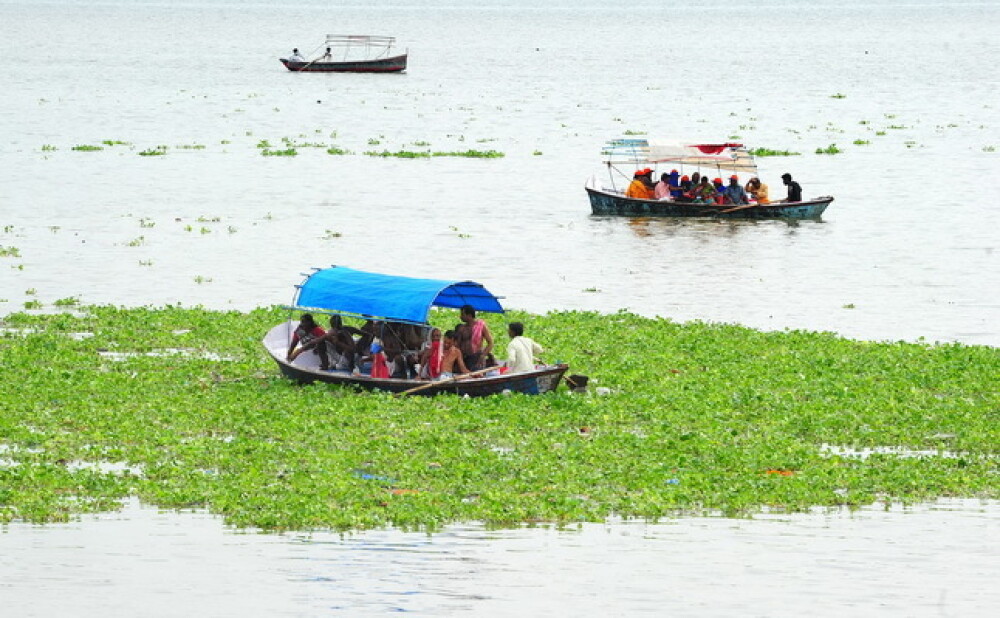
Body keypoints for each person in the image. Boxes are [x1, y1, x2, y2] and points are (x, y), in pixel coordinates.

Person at [459, 304, 493, 370]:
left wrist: (483, 355)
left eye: (462, 314)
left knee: (477, 376)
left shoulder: (481, 325)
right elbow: (458, 344)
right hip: (464, 358)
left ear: (469, 315)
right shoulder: (462, 328)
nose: (460, 316)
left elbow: (490, 343)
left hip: (477, 358)